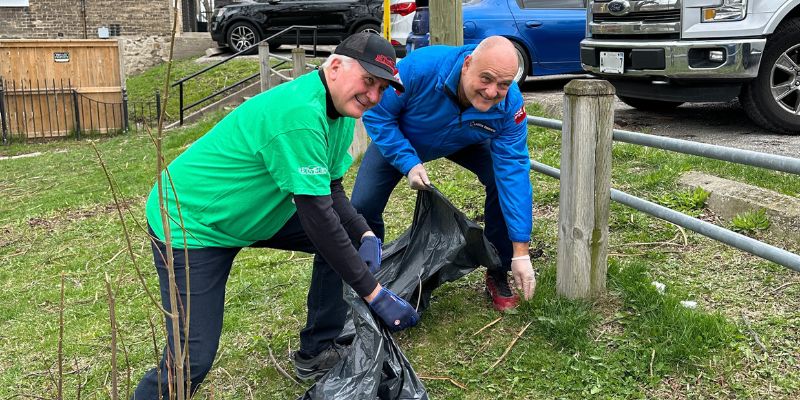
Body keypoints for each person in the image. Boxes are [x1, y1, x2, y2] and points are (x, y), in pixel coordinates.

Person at [133, 33, 419, 399]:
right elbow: (318, 217)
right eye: (368, 81)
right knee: (192, 359)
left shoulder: (341, 110)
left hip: (252, 213)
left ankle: (317, 349)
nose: (374, 96)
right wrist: (373, 292)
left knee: (345, 238)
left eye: (381, 88)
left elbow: (329, 187)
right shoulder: (299, 113)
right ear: (334, 67)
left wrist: (362, 233)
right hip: (193, 222)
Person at [353, 36, 536, 311]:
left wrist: (520, 251)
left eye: (503, 84)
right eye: (485, 78)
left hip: (464, 140)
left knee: (501, 180)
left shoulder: (509, 106)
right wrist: (407, 161)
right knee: (363, 204)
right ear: (467, 64)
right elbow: (378, 115)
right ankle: (366, 275)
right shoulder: (419, 69)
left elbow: (514, 173)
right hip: (403, 137)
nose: (491, 92)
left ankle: (498, 267)